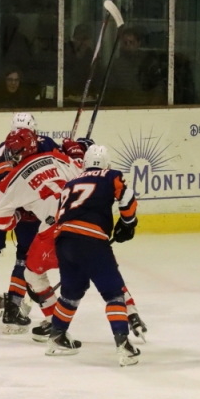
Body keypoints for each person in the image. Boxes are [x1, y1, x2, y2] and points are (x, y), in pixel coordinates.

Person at [0, 128, 84, 334]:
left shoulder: (2, 147)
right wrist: (77, 151)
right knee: (26, 255)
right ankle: (12, 308)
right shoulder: (44, 146)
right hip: (22, 194)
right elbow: (71, 168)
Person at [48, 145, 143, 366]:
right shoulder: (111, 175)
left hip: (63, 241)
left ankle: (56, 337)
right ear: (107, 163)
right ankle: (123, 345)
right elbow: (128, 200)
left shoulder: (70, 184)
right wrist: (128, 223)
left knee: (70, 294)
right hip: (91, 240)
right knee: (114, 294)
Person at [63, 23, 103, 102]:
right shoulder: (64, 58)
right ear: (73, 39)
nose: (82, 42)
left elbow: (98, 85)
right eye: (79, 38)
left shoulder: (95, 61)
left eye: (85, 39)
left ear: (91, 40)